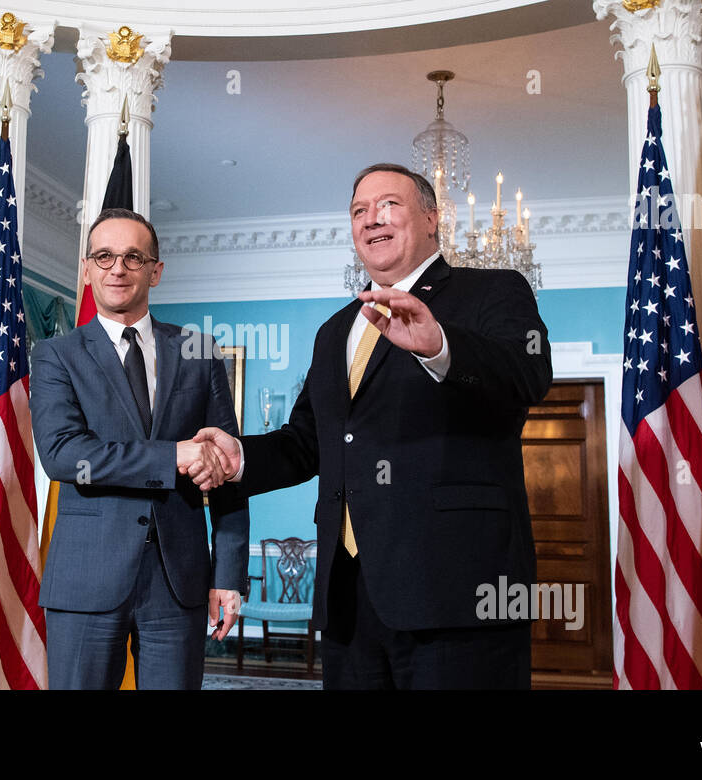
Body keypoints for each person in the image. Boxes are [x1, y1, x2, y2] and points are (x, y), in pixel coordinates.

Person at [196, 163, 552, 689]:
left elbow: (529, 376)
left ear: (432, 219)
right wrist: (239, 457)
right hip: (349, 600)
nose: (371, 219)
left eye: (388, 205)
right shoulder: (333, 331)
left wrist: (441, 348)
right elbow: (308, 442)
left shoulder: (494, 290)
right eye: (359, 210)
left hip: (458, 592)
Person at [30, 208, 249, 690]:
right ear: (87, 268)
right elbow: (65, 455)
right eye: (104, 256)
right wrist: (173, 457)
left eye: (133, 257)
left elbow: (229, 469)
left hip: (179, 582)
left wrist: (229, 573)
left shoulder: (200, 352)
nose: (118, 268)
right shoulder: (55, 356)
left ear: (156, 270)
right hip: (86, 579)